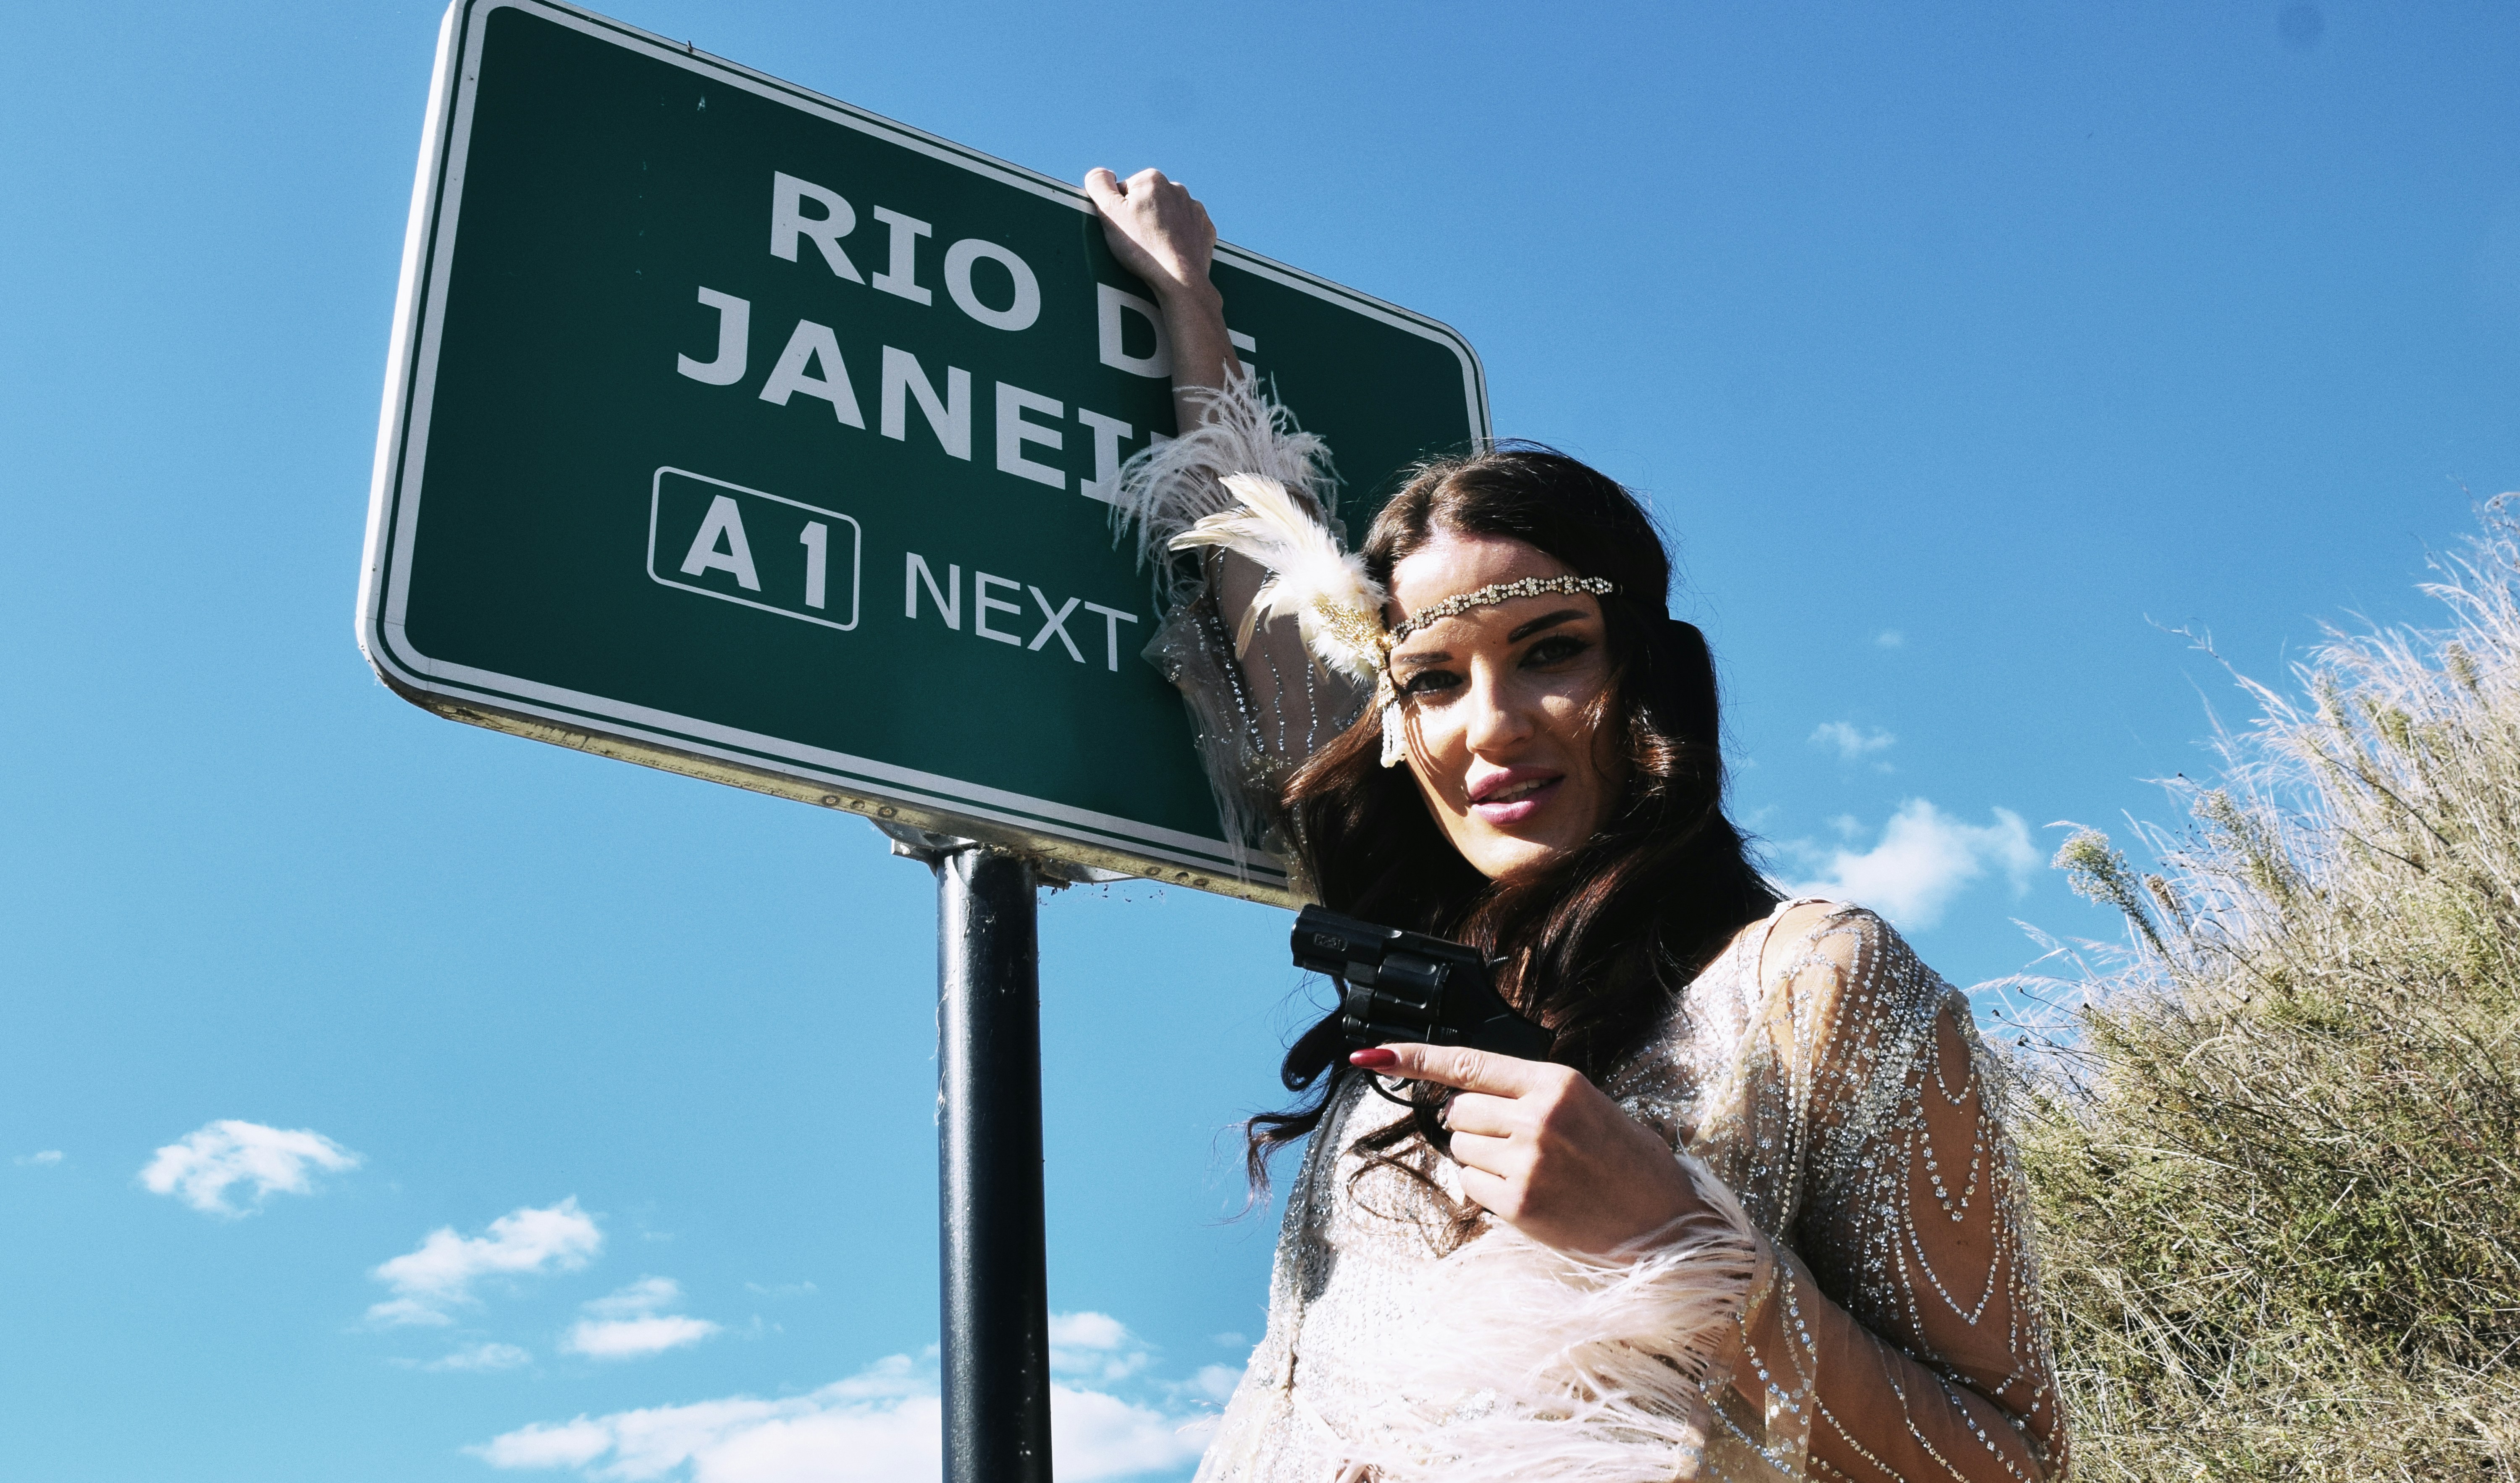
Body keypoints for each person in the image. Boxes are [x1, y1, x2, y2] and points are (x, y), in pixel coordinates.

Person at [1085, 165, 2069, 1483]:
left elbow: (2013, 1459)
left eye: (1550, 651)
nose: (1489, 724)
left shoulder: (1813, 984)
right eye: (1434, 679)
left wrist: (1681, 1248)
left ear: (1646, 673)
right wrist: (1190, 304)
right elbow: (1275, 610)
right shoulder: (1415, 972)